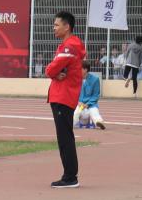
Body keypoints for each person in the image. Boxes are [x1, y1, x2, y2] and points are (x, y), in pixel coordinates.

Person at [45, 11, 86, 188]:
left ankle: (70, 177)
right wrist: (54, 73)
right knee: (64, 137)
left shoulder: (69, 47)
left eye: (56, 25)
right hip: (62, 95)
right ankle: (69, 175)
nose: (53, 28)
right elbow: (55, 70)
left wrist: (52, 72)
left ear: (67, 26)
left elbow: (51, 69)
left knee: (65, 138)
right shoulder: (69, 46)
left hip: (63, 96)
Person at [74, 61, 106, 129]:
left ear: (85, 69)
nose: (78, 70)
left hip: (91, 105)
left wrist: (88, 104)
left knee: (94, 112)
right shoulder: (77, 79)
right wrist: (78, 102)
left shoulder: (95, 79)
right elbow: (74, 93)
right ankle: (69, 124)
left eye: (80, 68)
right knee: (76, 113)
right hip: (80, 105)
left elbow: (96, 95)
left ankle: (99, 122)